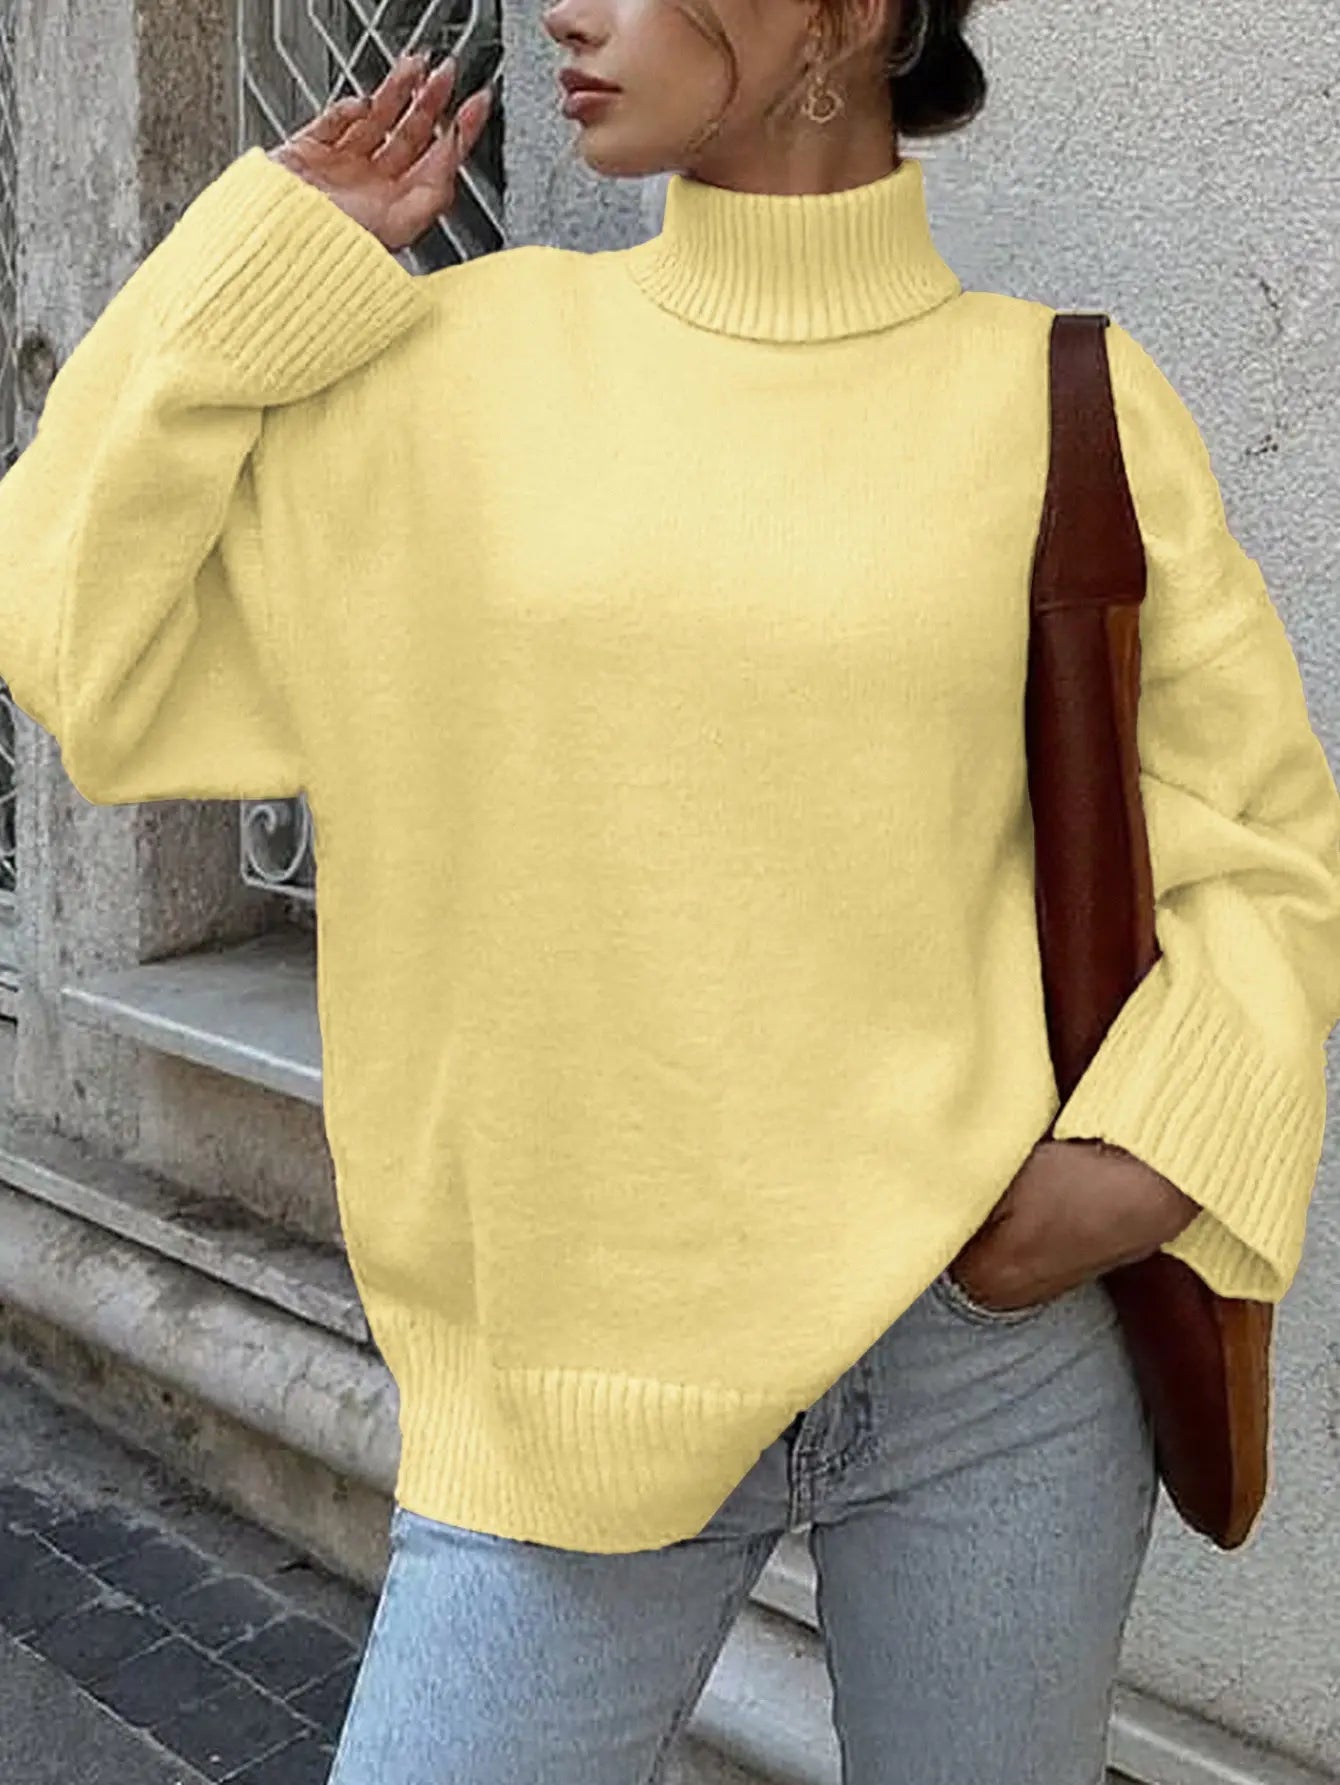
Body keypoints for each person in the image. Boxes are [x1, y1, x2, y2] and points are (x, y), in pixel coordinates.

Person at [1, 2, 1338, 1781]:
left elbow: (1257, 840)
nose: (570, 7)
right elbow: (75, 634)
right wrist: (256, 265)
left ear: (850, 17)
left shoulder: (1057, 398)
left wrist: (1125, 1177)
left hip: (990, 1362)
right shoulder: (454, 374)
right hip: (571, 1395)